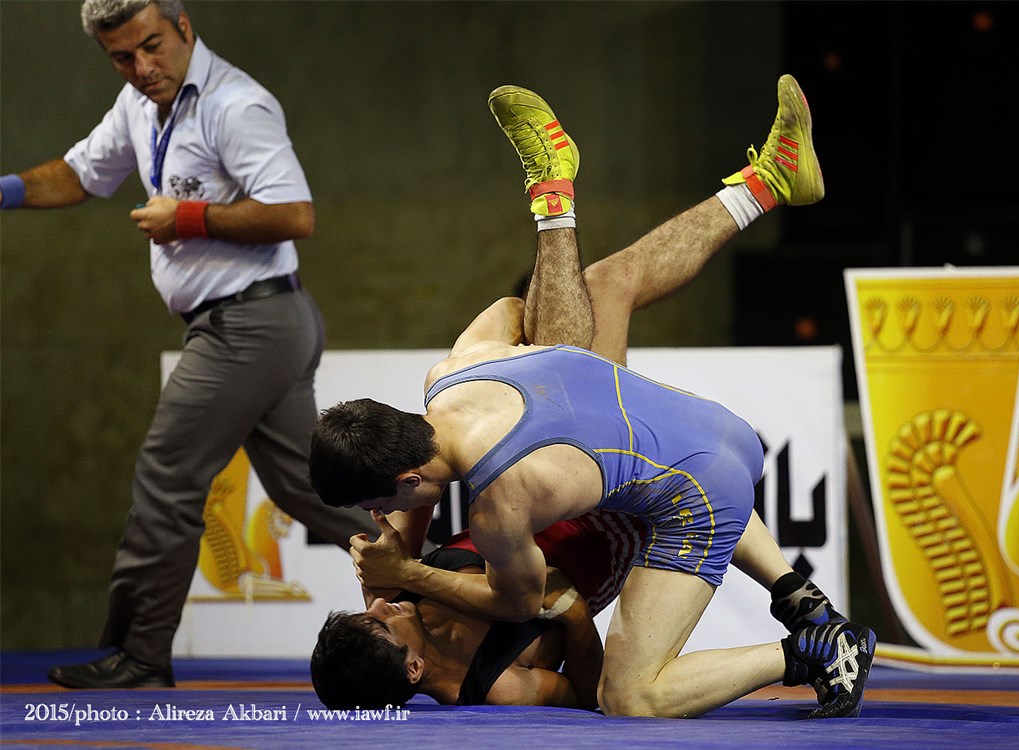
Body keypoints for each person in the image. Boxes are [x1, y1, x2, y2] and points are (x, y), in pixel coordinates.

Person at [311, 75, 876, 719]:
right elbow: (509, 313)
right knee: (572, 331)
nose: (381, 519)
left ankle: (761, 181)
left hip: (689, 471)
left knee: (628, 698)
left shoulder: (498, 509)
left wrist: (405, 570)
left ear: (408, 475)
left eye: (379, 503)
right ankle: (554, 202)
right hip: (684, 447)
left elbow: (523, 599)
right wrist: (404, 566)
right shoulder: (454, 374)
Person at [0, 0, 374, 689]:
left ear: (183, 27)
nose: (142, 67)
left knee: (166, 478)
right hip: (264, 320)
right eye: (122, 57)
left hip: (247, 325)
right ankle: (453, 574)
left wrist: (189, 218)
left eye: (152, 46)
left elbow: (295, 213)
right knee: (311, 489)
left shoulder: (235, 105)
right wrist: (7, 190)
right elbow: (80, 174)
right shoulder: (139, 105)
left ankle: (140, 655)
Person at [311, 511, 645, 710]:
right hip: (616, 535)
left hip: (546, 491)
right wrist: (576, 615)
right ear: (413, 667)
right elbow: (586, 697)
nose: (379, 606)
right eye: (382, 623)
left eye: (367, 613)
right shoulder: (503, 688)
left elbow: (419, 488)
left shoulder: (387, 591)